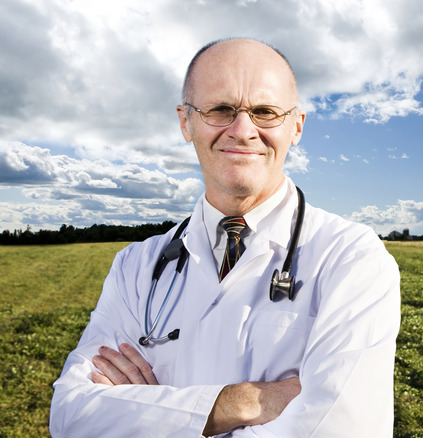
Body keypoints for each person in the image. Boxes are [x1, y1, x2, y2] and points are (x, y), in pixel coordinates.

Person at [49, 38, 401, 437]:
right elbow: (71, 416)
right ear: (186, 122)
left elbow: (344, 429)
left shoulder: (351, 259)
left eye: (265, 112)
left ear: (296, 126)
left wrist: (148, 414)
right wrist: (246, 401)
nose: (243, 130)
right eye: (220, 109)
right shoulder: (137, 266)